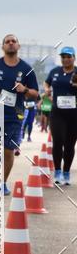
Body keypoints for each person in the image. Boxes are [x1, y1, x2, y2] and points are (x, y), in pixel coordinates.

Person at [0, 34, 39, 195]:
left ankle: (3, 182)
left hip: (15, 115)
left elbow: (35, 93)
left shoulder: (27, 69)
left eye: (14, 41)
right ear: (3, 46)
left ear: (18, 46)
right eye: (8, 42)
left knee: (8, 149)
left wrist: (25, 89)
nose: (11, 44)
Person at [45, 47, 77, 184]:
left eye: (68, 57)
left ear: (74, 58)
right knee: (58, 141)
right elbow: (47, 82)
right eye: (63, 57)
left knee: (70, 144)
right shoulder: (55, 71)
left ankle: (66, 172)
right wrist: (47, 90)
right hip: (57, 112)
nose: (65, 59)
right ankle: (57, 171)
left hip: (74, 114)